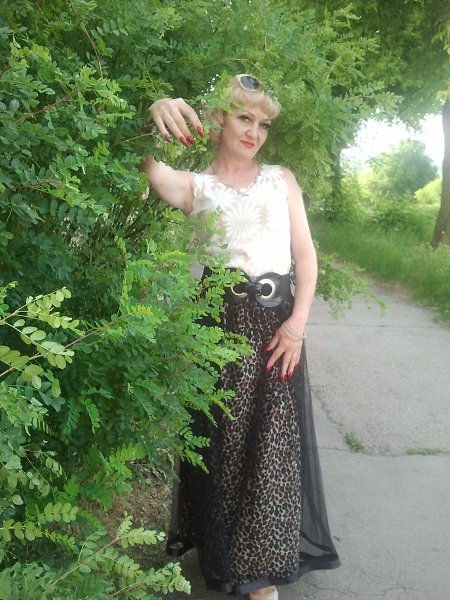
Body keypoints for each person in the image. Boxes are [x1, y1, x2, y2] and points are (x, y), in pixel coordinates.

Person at [141, 74, 340, 600]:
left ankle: (261, 574)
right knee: (223, 447)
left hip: (277, 330)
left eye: (263, 124)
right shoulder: (193, 186)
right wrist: (155, 110)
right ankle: (227, 553)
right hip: (219, 330)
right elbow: (141, 161)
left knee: (273, 449)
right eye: (244, 118)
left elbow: (306, 256)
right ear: (218, 119)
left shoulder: (281, 179)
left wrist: (297, 324)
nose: (254, 132)